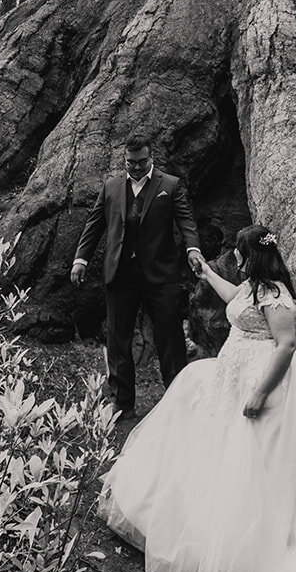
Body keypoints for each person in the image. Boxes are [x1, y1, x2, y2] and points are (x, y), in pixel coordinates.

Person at [98, 224, 296, 572]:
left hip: (262, 386)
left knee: (250, 466)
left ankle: (247, 564)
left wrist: (259, 392)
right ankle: (197, 534)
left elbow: (287, 345)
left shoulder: (275, 295)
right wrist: (205, 272)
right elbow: (234, 299)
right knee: (197, 408)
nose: (235, 260)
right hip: (230, 376)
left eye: (239, 254)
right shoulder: (253, 288)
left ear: (252, 256)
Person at [71, 135, 203, 417]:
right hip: (120, 274)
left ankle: (178, 399)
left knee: (169, 338)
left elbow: (186, 222)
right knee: (118, 340)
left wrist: (193, 249)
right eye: (131, 163)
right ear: (125, 160)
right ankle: (122, 403)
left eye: (142, 162)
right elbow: (94, 225)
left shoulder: (170, 185)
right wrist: (80, 259)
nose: (137, 167)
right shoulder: (111, 186)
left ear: (151, 157)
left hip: (160, 275)